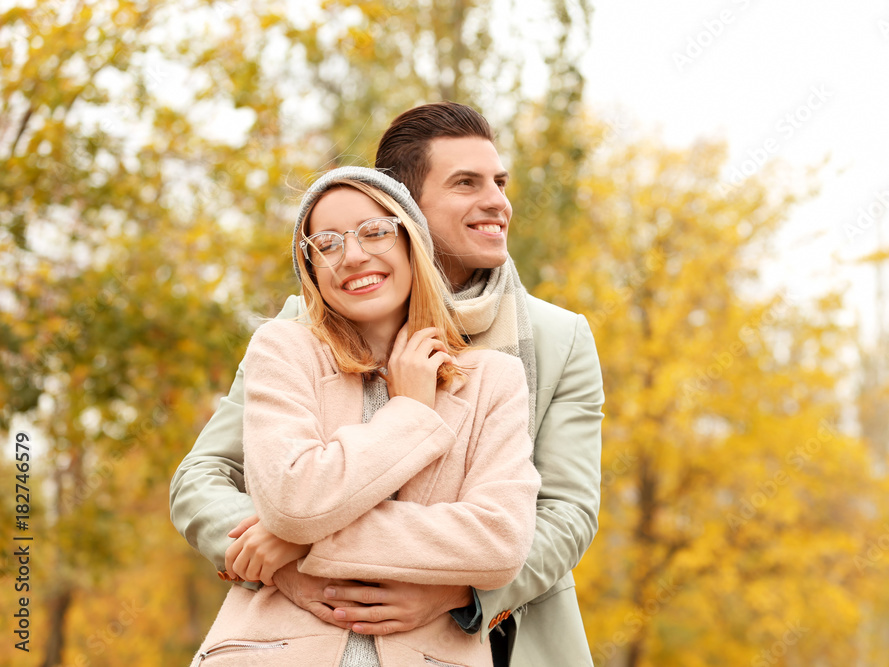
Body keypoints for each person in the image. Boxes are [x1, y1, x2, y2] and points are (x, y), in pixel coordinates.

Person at [171, 102, 605, 666]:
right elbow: (202, 476)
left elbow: (566, 512)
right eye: (466, 184)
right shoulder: (297, 332)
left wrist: (456, 592)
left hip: (503, 637)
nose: (497, 201)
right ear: (403, 205)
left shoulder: (557, 338)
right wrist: (283, 560)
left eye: (499, 181)